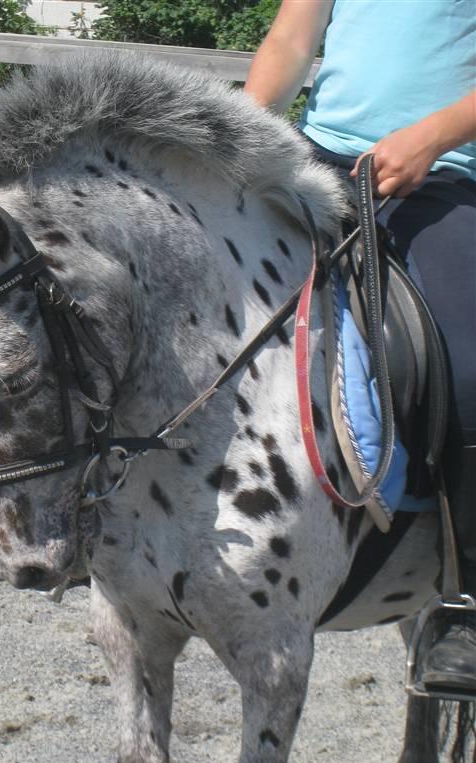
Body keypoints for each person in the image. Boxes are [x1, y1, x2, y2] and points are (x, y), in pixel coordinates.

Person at [244, 0, 476, 695]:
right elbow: (292, 36)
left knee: (468, 362)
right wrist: (242, 129)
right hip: (320, 162)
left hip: (444, 172)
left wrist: (433, 136)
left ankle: (463, 604)